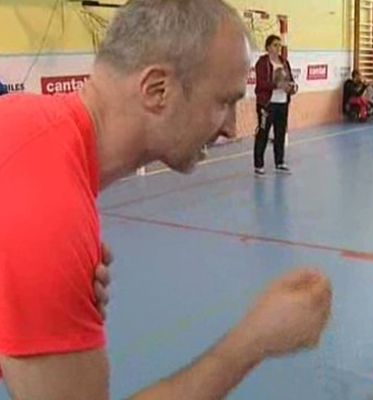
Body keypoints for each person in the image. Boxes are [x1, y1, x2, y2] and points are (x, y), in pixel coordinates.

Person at [0, 1, 332, 399]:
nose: (229, 127)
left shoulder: (24, 127)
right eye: (223, 102)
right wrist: (253, 341)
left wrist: (36, 311)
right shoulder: (47, 214)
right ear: (157, 89)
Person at [253, 34, 298, 176]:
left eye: (279, 45)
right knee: (263, 133)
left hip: (282, 103)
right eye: (274, 45)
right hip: (267, 105)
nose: (278, 48)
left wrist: (292, 87)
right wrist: (276, 84)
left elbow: (290, 79)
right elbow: (261, 84)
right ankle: (258, 165)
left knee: (280, 133)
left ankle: (280, 162)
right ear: (268, 47)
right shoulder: (262, 63)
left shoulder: (285, 62)